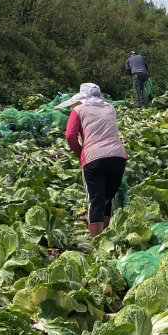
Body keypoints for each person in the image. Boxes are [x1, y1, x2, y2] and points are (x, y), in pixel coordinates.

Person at [58, 83, 128, 238]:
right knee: (108, 199)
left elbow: (70, 135)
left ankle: (97, 243)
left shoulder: (78, 110)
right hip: (118, 156)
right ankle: (107, 240)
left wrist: (78, 152)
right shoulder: (110, 108)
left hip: (94, 157)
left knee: (96, 200)